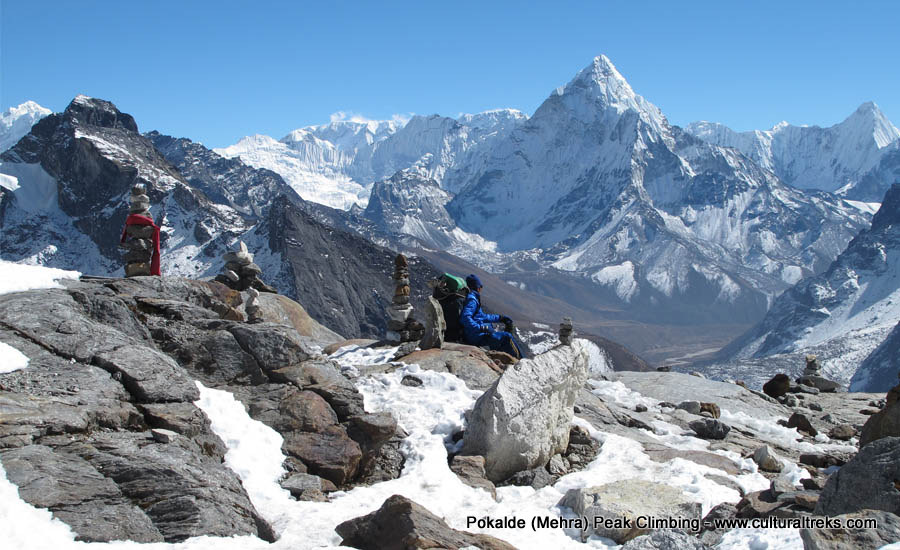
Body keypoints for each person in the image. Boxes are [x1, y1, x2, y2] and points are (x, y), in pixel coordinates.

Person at [459, 274, 521, 359]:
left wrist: (500, 318)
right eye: (481, 286)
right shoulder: (472, 300)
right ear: (477, 287)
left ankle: (505, 359)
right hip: (475, 337)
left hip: (474, 334)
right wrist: (480, 328)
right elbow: (465, 318)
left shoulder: (472, 297)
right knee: (507, 337)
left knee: (497, 333)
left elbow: (482, 316)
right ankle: (522, 361)